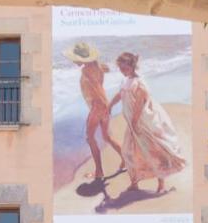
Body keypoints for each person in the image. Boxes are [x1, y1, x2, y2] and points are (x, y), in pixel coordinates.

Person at [110, 51, 187, 194]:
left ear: (132, 66)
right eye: (120, 68)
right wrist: (110, 105)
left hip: (143, 122)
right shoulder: (125, 80)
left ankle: (161, 184)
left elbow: (139, 105)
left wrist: (133, 123)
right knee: (130, 152)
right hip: (133, 124)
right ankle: (134, 182)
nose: (122, 71)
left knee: (154, 152)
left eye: (124, 68)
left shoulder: (139, 83)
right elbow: (120, 94)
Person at [64, 41, 125, 181]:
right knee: (107, 137)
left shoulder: (86, 70)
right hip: (103, 106)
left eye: (74, 58)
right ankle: (126, 159)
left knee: (90, 138)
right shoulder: (98, 67)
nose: (73, 61)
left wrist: (103, 107)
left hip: (98, 107)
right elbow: (101, 82)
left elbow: (97, 90)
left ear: (81, 58)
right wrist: (107, 107)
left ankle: (99, 171)